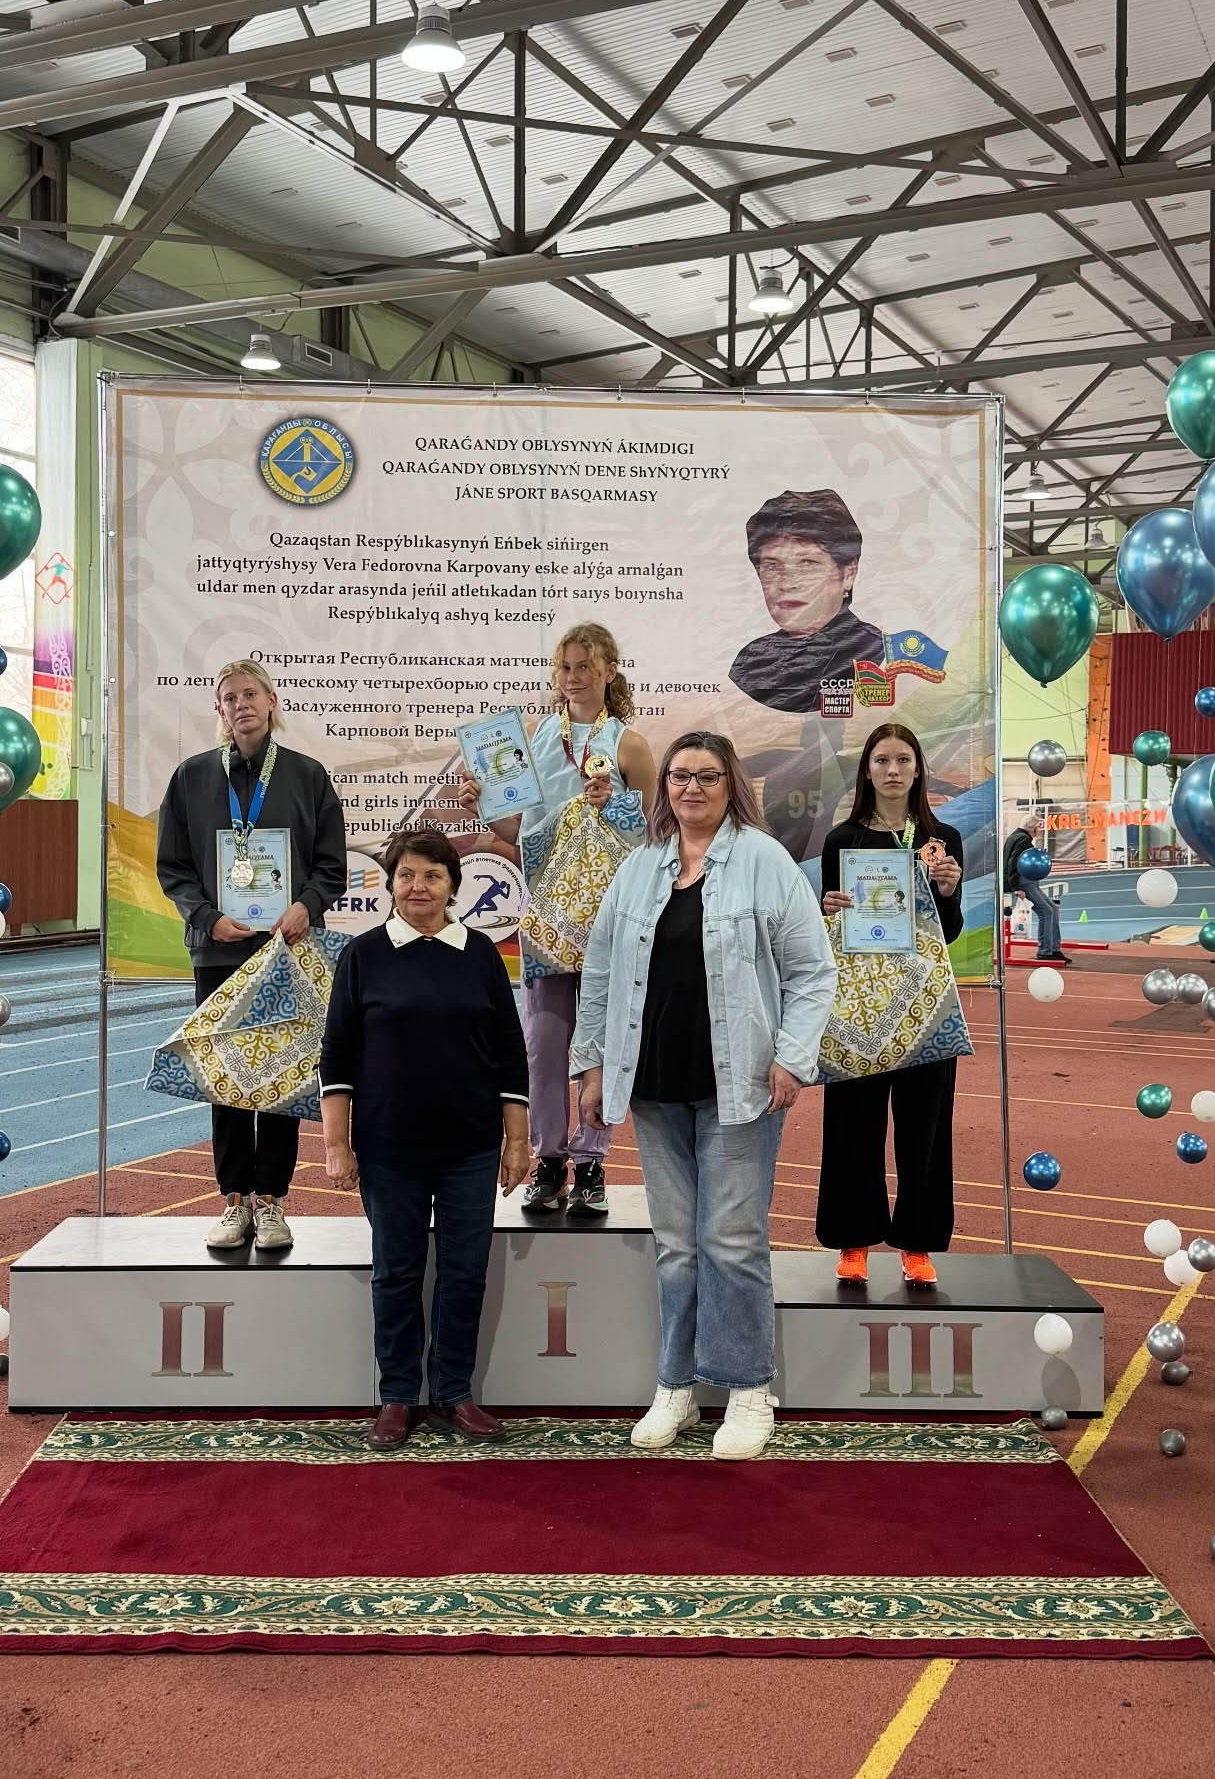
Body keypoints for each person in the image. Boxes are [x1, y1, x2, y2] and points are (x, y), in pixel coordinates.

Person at [572, 732, 837, 1460]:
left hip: (739, 1085)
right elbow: (600, 971)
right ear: (664, 787)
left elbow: (813, 970)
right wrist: (590, 1065)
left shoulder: (765, 861)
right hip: (652, 1084)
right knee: (676, 1247)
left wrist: (792, 1056)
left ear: (731, 785)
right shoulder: (638, 868)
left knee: (732, 1240)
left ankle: (750, 1390)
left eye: (707, 776)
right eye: (680, 776)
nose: (692, 788)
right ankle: (677, 1386)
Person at [319, 829, 531, 1451]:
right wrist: (337, 1144)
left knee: (464, 1274)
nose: (419, 887)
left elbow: (510, 1052)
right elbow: (336, 1054)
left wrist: (517, 1142)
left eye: (433, 876)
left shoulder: (481, 955)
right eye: (407, 875)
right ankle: (397, 1396)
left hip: (471, 1148)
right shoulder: (363, 955)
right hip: (389, 1149)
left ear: (452, 886)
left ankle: (453, 1393)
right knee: (397, 1274)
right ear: (390, 883)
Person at [460, 623, 654, 1219]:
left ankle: (592, 1160)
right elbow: (525, 834)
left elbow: (657, 833)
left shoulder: (631, 746)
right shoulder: (537, 739)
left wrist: (615, 805)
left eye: (585, 666)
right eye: (565, 667)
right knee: (543, 1044)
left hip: (610, 919)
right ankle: (549, 1158)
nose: (573, 677)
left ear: (610, 671)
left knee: (602, 1040)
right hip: (548, 917)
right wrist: (486, 809)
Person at [157, 658, 347, 1252]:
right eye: (229, 697)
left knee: (284, 1076)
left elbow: (331, 866)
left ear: (270, 702)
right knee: (228, 1076)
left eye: (250, 694)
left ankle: (272, 1202)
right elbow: (173, 867)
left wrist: (306, 906)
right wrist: (207, 918)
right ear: (219, 710)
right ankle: (235, 1199)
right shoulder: (191, 777)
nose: (240, 705)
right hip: (219, 951)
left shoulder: (307, 776)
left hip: (287, 950)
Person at [815, 723, 965, 1288]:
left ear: (918, 769)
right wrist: (829, 909)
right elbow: (833, 928)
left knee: (925, 1129)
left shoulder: (942, 838)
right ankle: (853, 1240)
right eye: (882, 760)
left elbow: (949, 932)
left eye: (903, 759)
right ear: (867, 771)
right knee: (852, 1124)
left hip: (925, 1004)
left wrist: (946, 891)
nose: (893, 770)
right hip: (861, 1005)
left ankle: (917, 1244)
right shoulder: (843, 840)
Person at [729, 490, 886, 716]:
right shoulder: (750, 663)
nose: (788, 583)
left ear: (848, 574)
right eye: (772, 565)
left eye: (807, 563)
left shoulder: (875, 653)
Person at [1004, 821, 1065, 964]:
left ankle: (1054, 949)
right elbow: (1013, 863)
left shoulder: (1016, 836)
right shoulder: (1023, 840)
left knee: (1052, 908)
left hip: (1026, 880)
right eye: (1038, 828)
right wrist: (1016, 887)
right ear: (1034, 828)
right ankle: (1045, 951)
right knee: (1046, 911)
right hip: (1023, 882)